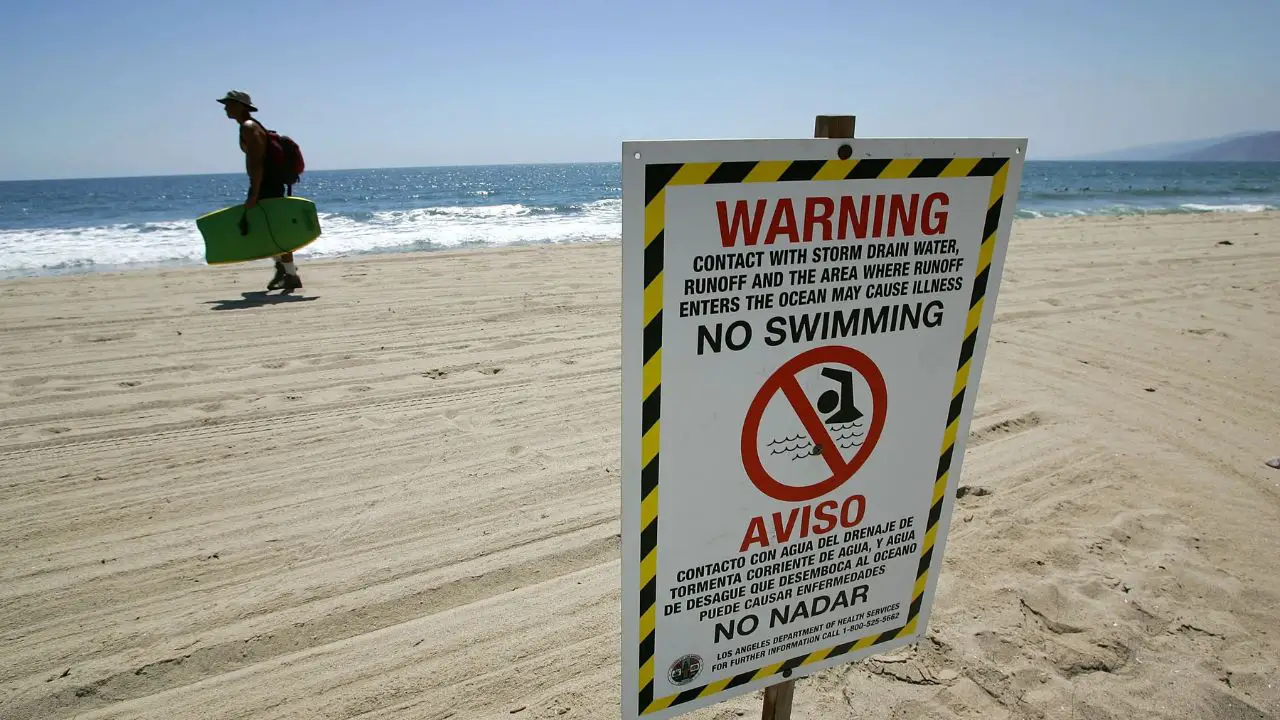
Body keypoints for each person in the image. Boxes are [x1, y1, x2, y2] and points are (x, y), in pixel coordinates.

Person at [216, 90, 302, 292]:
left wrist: (254, 193)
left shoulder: (249, 127)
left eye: (229, 104)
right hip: (267, 184)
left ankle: (290, 274)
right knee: (267, 229)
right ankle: (285, 269)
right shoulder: (251, 127)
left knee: (274, 231)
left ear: (241, 106)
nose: (225, 107)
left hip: (266, 185)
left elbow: (255, 163)